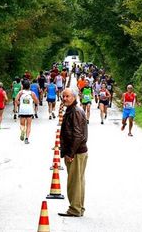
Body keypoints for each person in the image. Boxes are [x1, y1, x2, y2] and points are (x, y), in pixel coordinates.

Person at [58, 88, 88, 217]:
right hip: (78, 151)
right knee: (78, 180)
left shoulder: (75, 111)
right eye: (63, 96)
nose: (65, 99)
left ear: (74, 97)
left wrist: (70, 153)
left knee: (74, 181)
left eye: (67, 96)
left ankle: (75, 209)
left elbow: (78, 135)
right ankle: (78, 207)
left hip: (75, 152)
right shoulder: (73, 110)